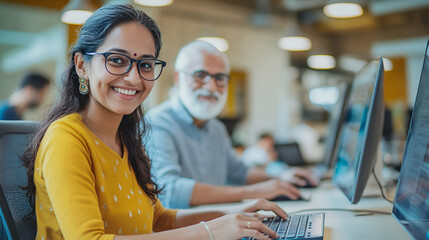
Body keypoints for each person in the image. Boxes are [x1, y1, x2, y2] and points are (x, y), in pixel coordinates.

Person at [22, 4, 288, 240]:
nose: (134, 78)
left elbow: (158, 220)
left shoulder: (127, 139)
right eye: (117, 60)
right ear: (82, 65)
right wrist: (211, 232)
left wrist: (233, 214)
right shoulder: (66, 139)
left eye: (145, 65)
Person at [146, 40, 318, 209]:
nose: (211, 86)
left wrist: (282, 175)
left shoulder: (216, 128)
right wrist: (255, 192)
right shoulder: (157, 123)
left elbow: (240, 172)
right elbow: (170, 191)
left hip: (218, 224)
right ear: (178, 78)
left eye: (220, 78)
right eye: (200, 75)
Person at [242, 133, 318, 183]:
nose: (271, 145)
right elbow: (254, 169)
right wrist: (270, 160)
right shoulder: (254, 152)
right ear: (262, 141)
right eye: (269, 142)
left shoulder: (268, 152)